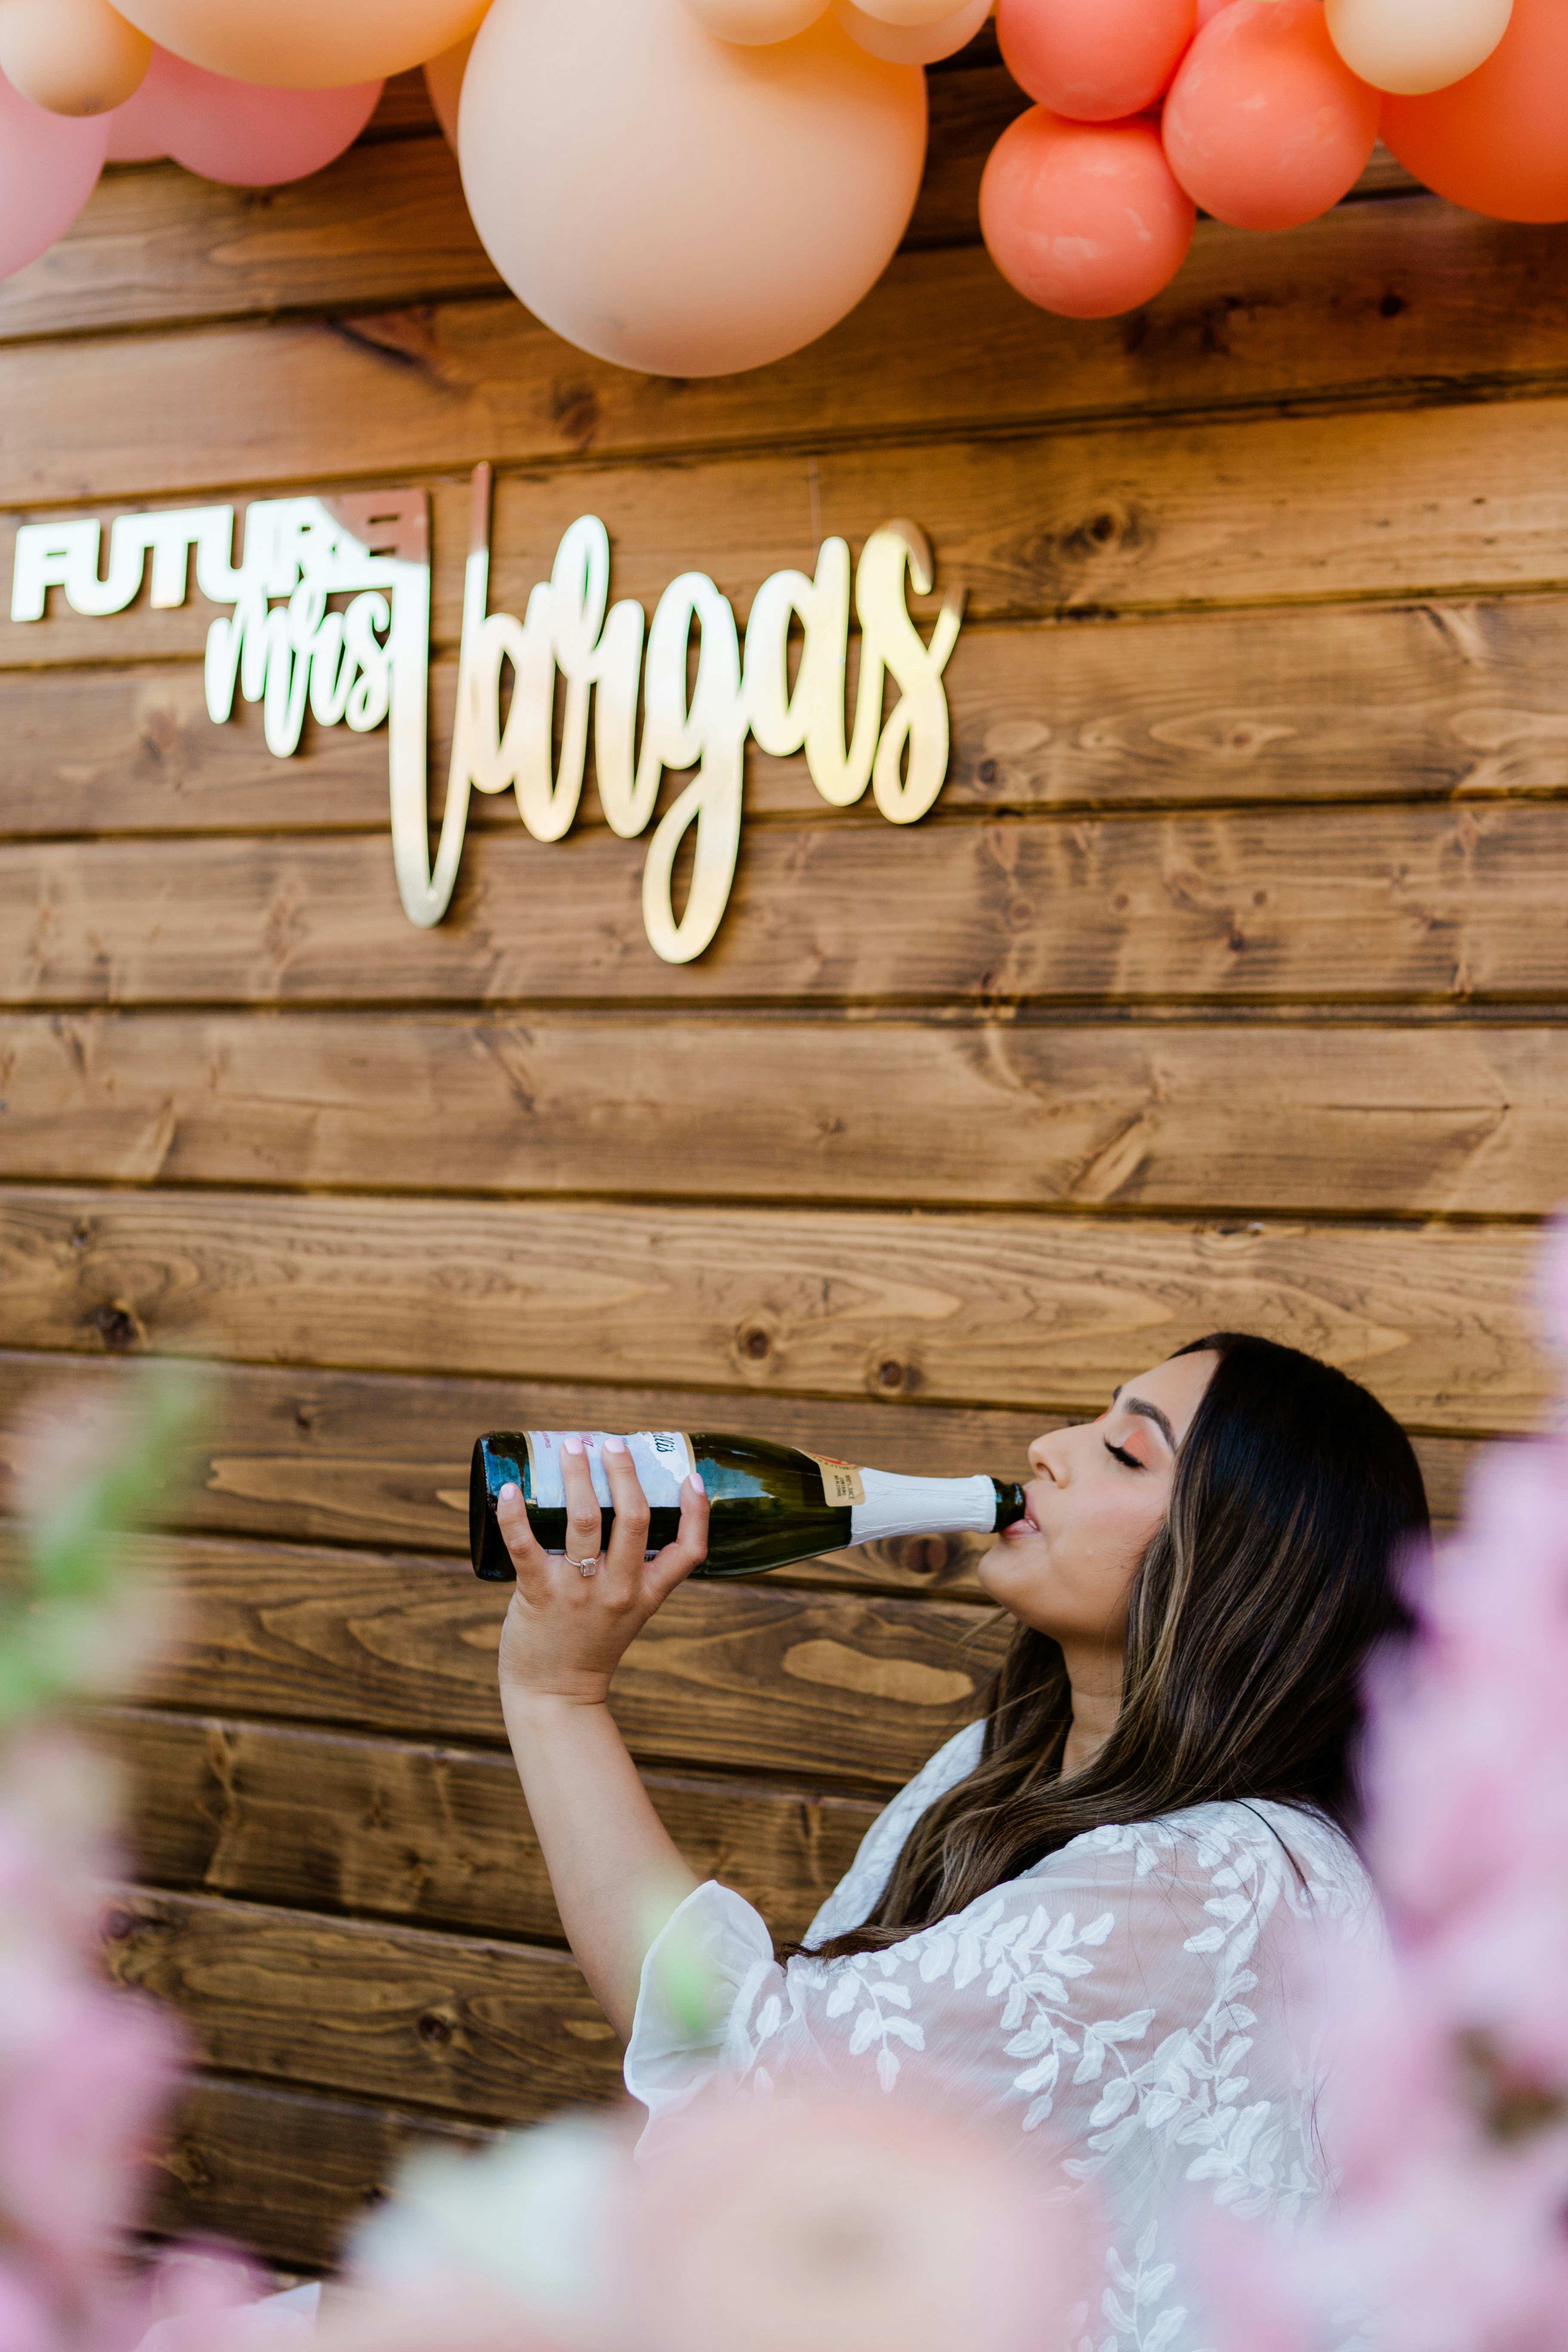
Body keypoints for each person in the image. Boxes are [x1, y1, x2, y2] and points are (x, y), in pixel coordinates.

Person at [492, 1335, 1429, 2351]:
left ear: (1249, 1561)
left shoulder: (1214, 1880)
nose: (1047, 1449)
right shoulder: (1001, 1761)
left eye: (1126, 1454)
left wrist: (558, 1695)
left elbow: (754, 2078)